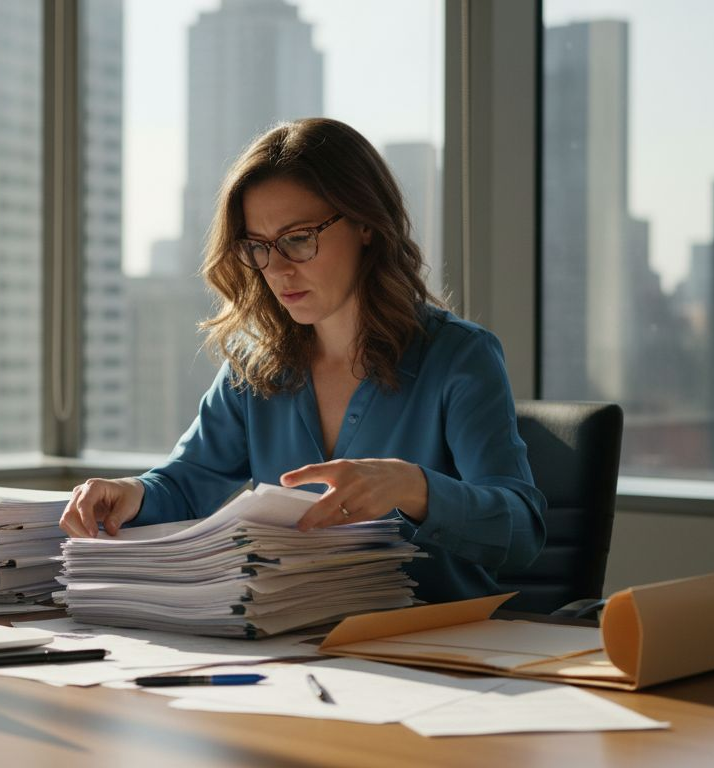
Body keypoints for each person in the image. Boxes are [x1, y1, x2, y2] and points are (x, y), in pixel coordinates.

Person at [60, 117, 545, 604]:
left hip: (432, 639)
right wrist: (132, 491)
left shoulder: (459, 357)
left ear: (366, 224)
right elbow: (185, 485)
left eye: (297, 238)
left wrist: (413, 487)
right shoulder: (254, 366)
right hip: (292, 632)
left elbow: (523, 530)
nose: (277, 268)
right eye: (258, 246)